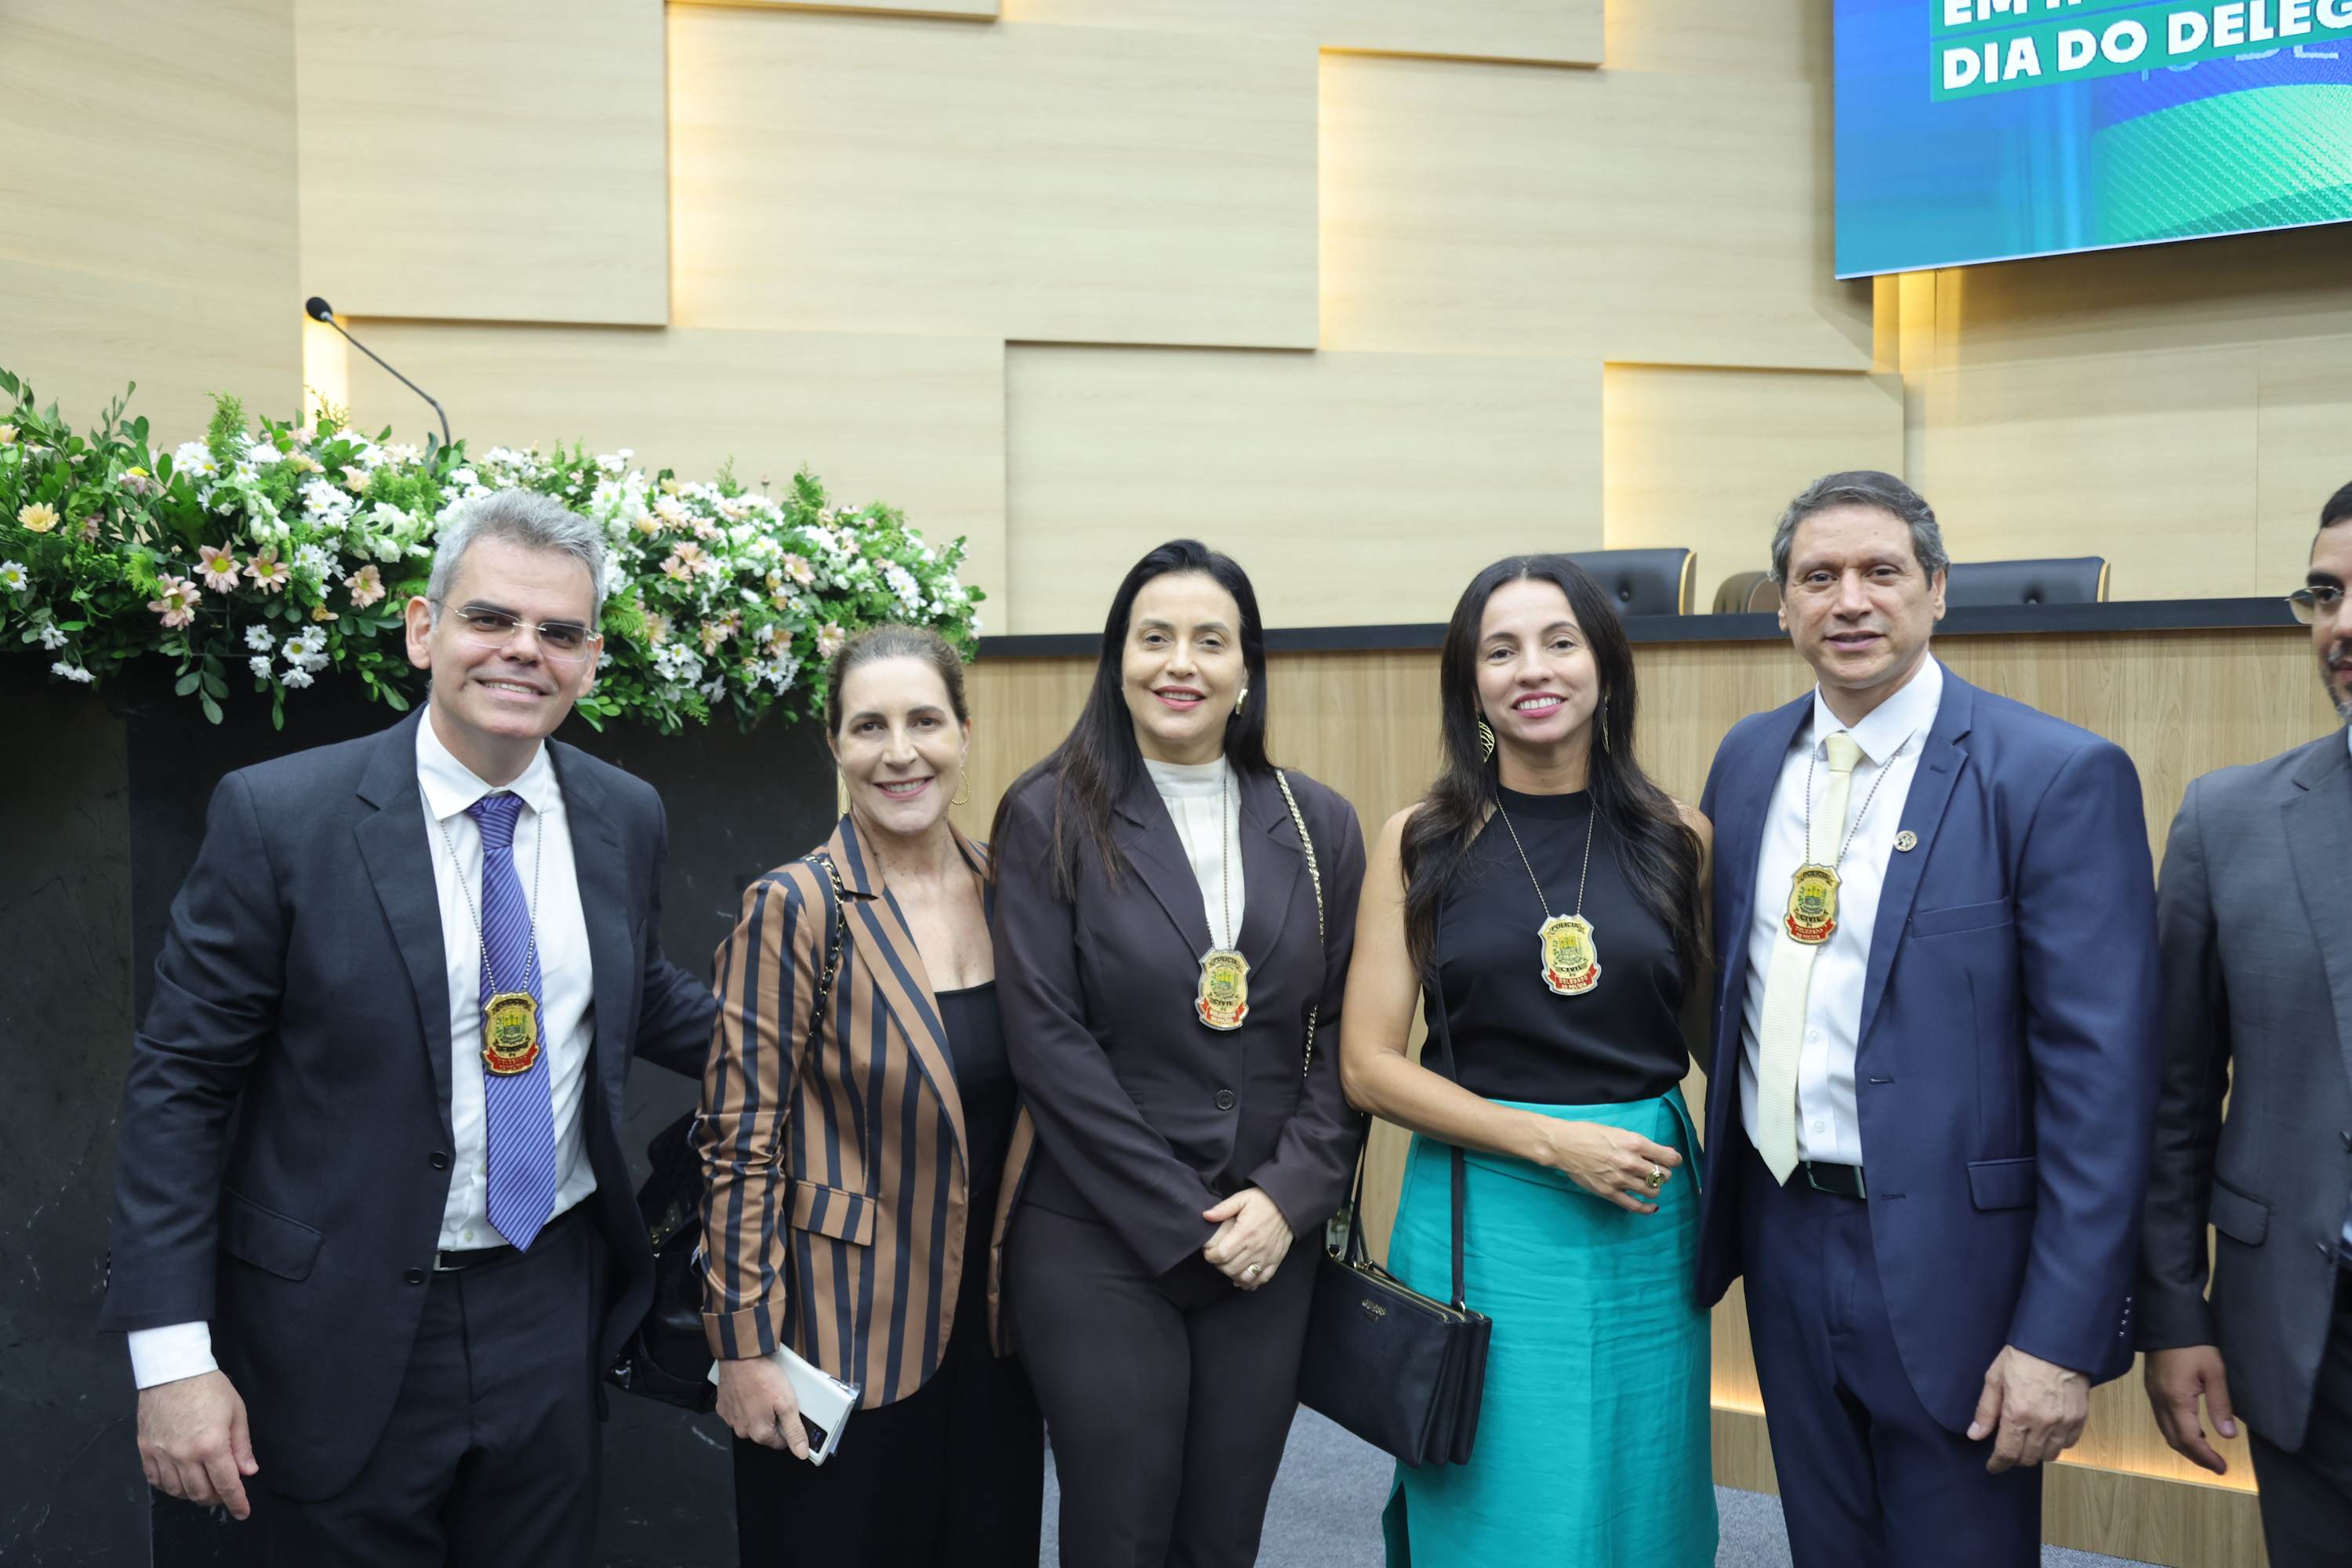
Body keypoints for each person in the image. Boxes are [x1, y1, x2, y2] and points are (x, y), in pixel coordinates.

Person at [99, 490, 718, 1562]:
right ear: (424, 630)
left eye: (558, 631)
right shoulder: (280, 816)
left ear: (589, 661)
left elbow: (633, 990)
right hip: (331, 1330)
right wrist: (172, 1359)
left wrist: (828, 1045)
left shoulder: (625, 814)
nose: (523, 650)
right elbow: (180, 1088)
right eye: (491, 618)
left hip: (550, 1306)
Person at [1694, 470, 2161, 1567]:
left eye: (1882, 572)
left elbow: (2105, 1090)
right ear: (1781, 604)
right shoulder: (1749, 761)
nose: (1851, 600)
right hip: (1784, 1236)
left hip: (1964, 1267)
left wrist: (2058, 1336)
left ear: (1938, 589)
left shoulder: (2053, 775)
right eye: (1819, 577)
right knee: (1827, 1547)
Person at [989, 539, 1367, 1567]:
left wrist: (1286, 1200)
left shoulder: (1321, 823)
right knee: (1121, 1530)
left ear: (1248, 666)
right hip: (1099, 1237)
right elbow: (1049, 1045)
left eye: (1210, 640)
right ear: (1118, 658)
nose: (1180, 664)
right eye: (1154, 638)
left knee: (1222, 1538)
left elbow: (1345, 1036)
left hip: (1267, 1243)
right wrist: (1183, 1219)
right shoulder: (1048, 812)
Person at [1338, 556, 1718, 1565]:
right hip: (1483, 1202)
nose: (1533, 669)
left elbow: (1715, 1037)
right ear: (1471, 685)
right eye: (1500, 650)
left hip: (1645, 1203)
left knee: (1643, 1480)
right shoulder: (1421, 840)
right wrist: (1554, 1142)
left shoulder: (1680, 837)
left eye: (1560, 641)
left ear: (1606, 667)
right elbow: (1368, 1066)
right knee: (1498, 1494)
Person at [698, 623, 1042, 1566]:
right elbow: (738, 1142)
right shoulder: (797, 905)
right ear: (835, 745)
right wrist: (741, 1347)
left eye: (924, 720)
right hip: (838, 1331)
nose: (900, 752)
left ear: (965, 731)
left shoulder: (1015, 891)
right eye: (869, 726)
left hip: (998, 1335)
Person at [2139, 482, 2352, 1566]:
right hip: (2314, 1336)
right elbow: (2174, 1096)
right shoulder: (2228, 821)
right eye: (2326, 594)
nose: (2341, 624)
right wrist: (2175, 1311)